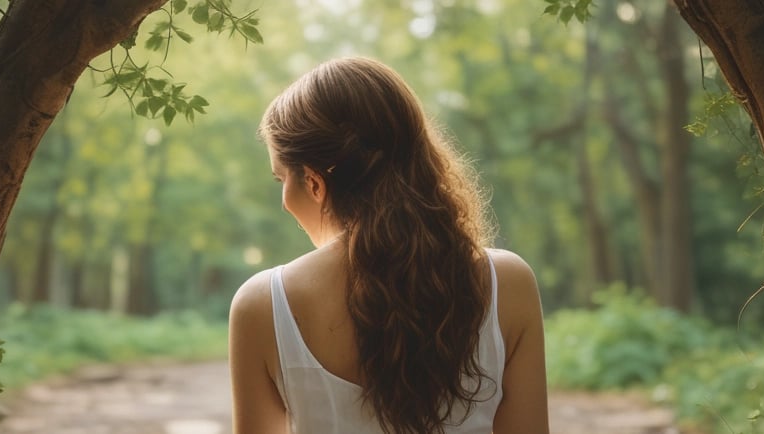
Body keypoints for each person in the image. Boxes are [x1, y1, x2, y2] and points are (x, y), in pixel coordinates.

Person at [228, 57, 549, 434]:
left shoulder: (263, 305)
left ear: (314, 183)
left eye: (280, 178)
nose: (283, 200)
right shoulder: (508, 284)